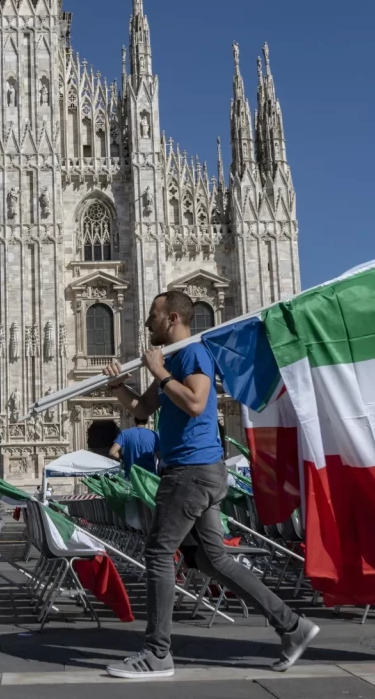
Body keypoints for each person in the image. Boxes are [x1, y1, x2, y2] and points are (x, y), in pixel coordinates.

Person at [102, 291, 317, 679]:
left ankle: (157, 654)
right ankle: (293, 626)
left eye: (152, 316)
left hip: (192, 470)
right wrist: (120, 386)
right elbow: (143, 410)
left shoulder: (194, 353)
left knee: (157, 552)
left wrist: (160, 373)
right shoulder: (174, 357)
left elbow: (198, 403)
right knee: (210, 559)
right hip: (196, 470)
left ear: (171, 319)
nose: (147, 323)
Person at [109, 411, 160, 475]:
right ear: (147, 421)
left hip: (131, 476)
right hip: (148, 477)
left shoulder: (124, 433)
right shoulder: (154, 435)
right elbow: (160, 456)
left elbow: (112, 452)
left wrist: (124, 457)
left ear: (135, 420)